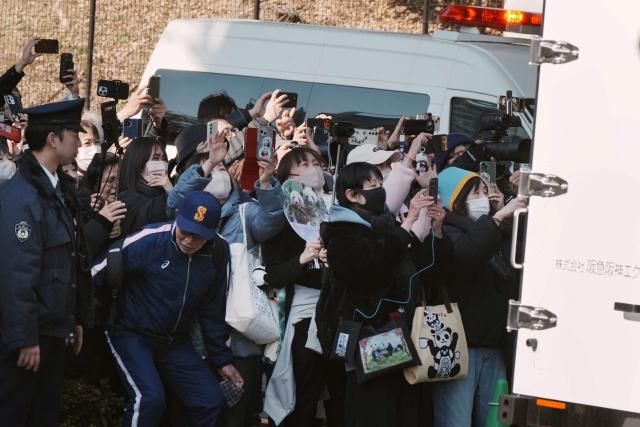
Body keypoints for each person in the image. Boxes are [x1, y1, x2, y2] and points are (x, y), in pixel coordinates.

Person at [167, 126, 285, 427]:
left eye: (222, 164)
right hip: (189, 341)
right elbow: (173, 205)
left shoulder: (245, 212)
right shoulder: (181, 217)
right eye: (209, 165)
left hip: (238, 341)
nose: (218, 168)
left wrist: (267, 182)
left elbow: (271, 221)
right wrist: (206, 164)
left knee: (235, 417)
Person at [91, 191, 242, 426]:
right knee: (150, 398)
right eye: (186, 231)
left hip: (175, 341)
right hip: (130, 333)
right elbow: (97, 271)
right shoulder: (151, 239)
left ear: (213, 233)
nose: (189, 241)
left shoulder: (219, 251)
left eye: (199, 236)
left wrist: (222, 359)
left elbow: (212, 309)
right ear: (178, 216)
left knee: (211, 399)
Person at [319, 162, 448, 427]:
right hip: (372, 339)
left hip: (407, 338)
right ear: (352, 195)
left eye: (381, 185)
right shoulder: (341, 233)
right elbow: (371, 271)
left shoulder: (386, 225)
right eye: (373, 186)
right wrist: (408, 222)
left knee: (407, 412)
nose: (380, 191)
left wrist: (436, 230)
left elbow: (421, 272)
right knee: (375, 413)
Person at [0, 98, 94, 426]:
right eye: (73, 133)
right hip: (29, 338)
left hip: (53, 330)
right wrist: (25, 337)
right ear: (53, 139)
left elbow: (69, 262)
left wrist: (74, 319)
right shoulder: (24, 195)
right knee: (15, 413)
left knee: (43, 415)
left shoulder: (57, 189)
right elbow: (17, 273)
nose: (80, 141)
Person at [431, 167, 526, 427]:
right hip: (460, 345)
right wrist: (496, 219)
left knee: (496, 421)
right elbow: (464, 258)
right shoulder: (446, 230)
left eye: (485, 191)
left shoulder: (495, 230)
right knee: (456, 420)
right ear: (456, 199)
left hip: (494, 344)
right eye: (476, 192)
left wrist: (505, 213)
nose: (483, 197)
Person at [262, 147, 330, 426]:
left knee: (327, 392)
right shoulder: (282, 216)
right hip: (300, 315)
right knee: (302, 390)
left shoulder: (332, 209)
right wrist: (304, 258)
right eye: (304, 164)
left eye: (317, 162)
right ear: (289, 176)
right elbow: (273, 273)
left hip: (333, 309)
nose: (314, 169)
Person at [117, 136, 172, 235]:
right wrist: (172, 194)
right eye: (155, 158)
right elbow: (151, 217)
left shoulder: (164, 189)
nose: (162, 163)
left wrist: (170, 190)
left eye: (163, 159)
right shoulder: (126, 198)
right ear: (139, 163)